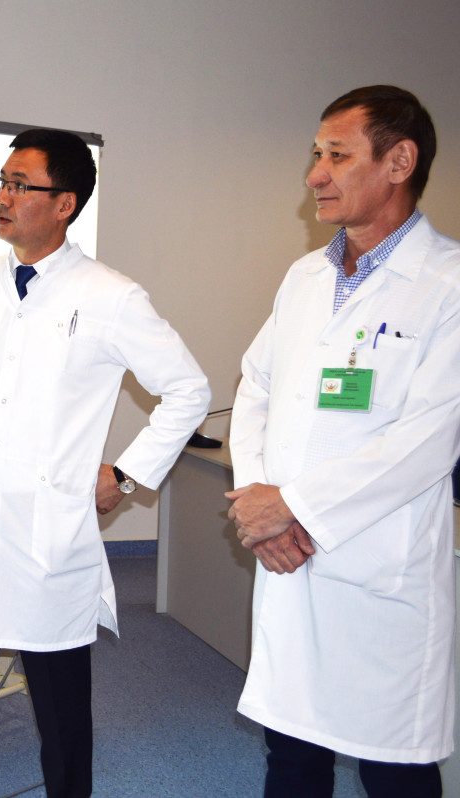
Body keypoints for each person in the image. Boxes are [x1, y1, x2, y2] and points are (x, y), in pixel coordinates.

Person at [0, 128, 210, 797]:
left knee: (62, 721)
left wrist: (126, 474)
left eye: (21, 185)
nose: (4, 197)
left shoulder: (109, 295)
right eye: (2, 182)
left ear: (65, 203)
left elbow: (189, 390)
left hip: (47, 541)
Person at [227, 85, 459, 797]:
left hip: (378, 571)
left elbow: (429, 437)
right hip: (288, 558)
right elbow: (256, 385)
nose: (314, 175)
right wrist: (259, 502)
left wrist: (292, 506)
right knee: (291, 758)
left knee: (395, 770)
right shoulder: (305, 276)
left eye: (336, 155)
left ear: (399, 162)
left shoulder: (448, 283)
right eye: (316, 155)